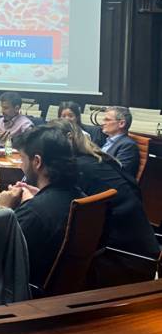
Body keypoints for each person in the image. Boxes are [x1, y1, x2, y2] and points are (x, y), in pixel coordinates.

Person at [48, 119, 159, 277]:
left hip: (121, 264)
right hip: (143, 254)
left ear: (68, 139)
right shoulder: (97, 160)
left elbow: (62, 220)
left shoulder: (79, 169)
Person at [0, 126, 82, 287]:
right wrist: (40, 196)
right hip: (67, 289)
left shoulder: (34, 212)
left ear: (37, 161)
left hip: (27, 294)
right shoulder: (80, 196)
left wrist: (4, 210)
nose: (21, 166)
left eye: (22, 159)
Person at [100, 106, 140, 178]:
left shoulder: (128, 146)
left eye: (107, 120)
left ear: (121, 123)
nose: (102, 123)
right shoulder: (108, 140)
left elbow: (118, 174)